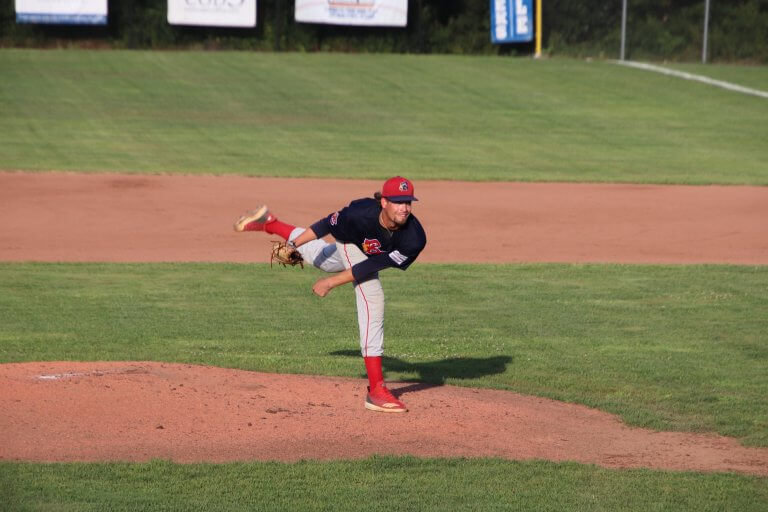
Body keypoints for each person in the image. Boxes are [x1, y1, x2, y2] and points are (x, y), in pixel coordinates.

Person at [234, 176, 427, 413]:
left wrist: (331, 281)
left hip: (368, 256)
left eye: (408, 202)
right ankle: (376, 390)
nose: (404, 208)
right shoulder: (359, 213)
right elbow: (326, 225)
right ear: (384, 202)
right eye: (398, 202)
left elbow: (371, 265)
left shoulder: (414, 239)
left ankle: (269, 223)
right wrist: (294, 245)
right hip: (349, 239)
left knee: (322, 259)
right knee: (372, 295)